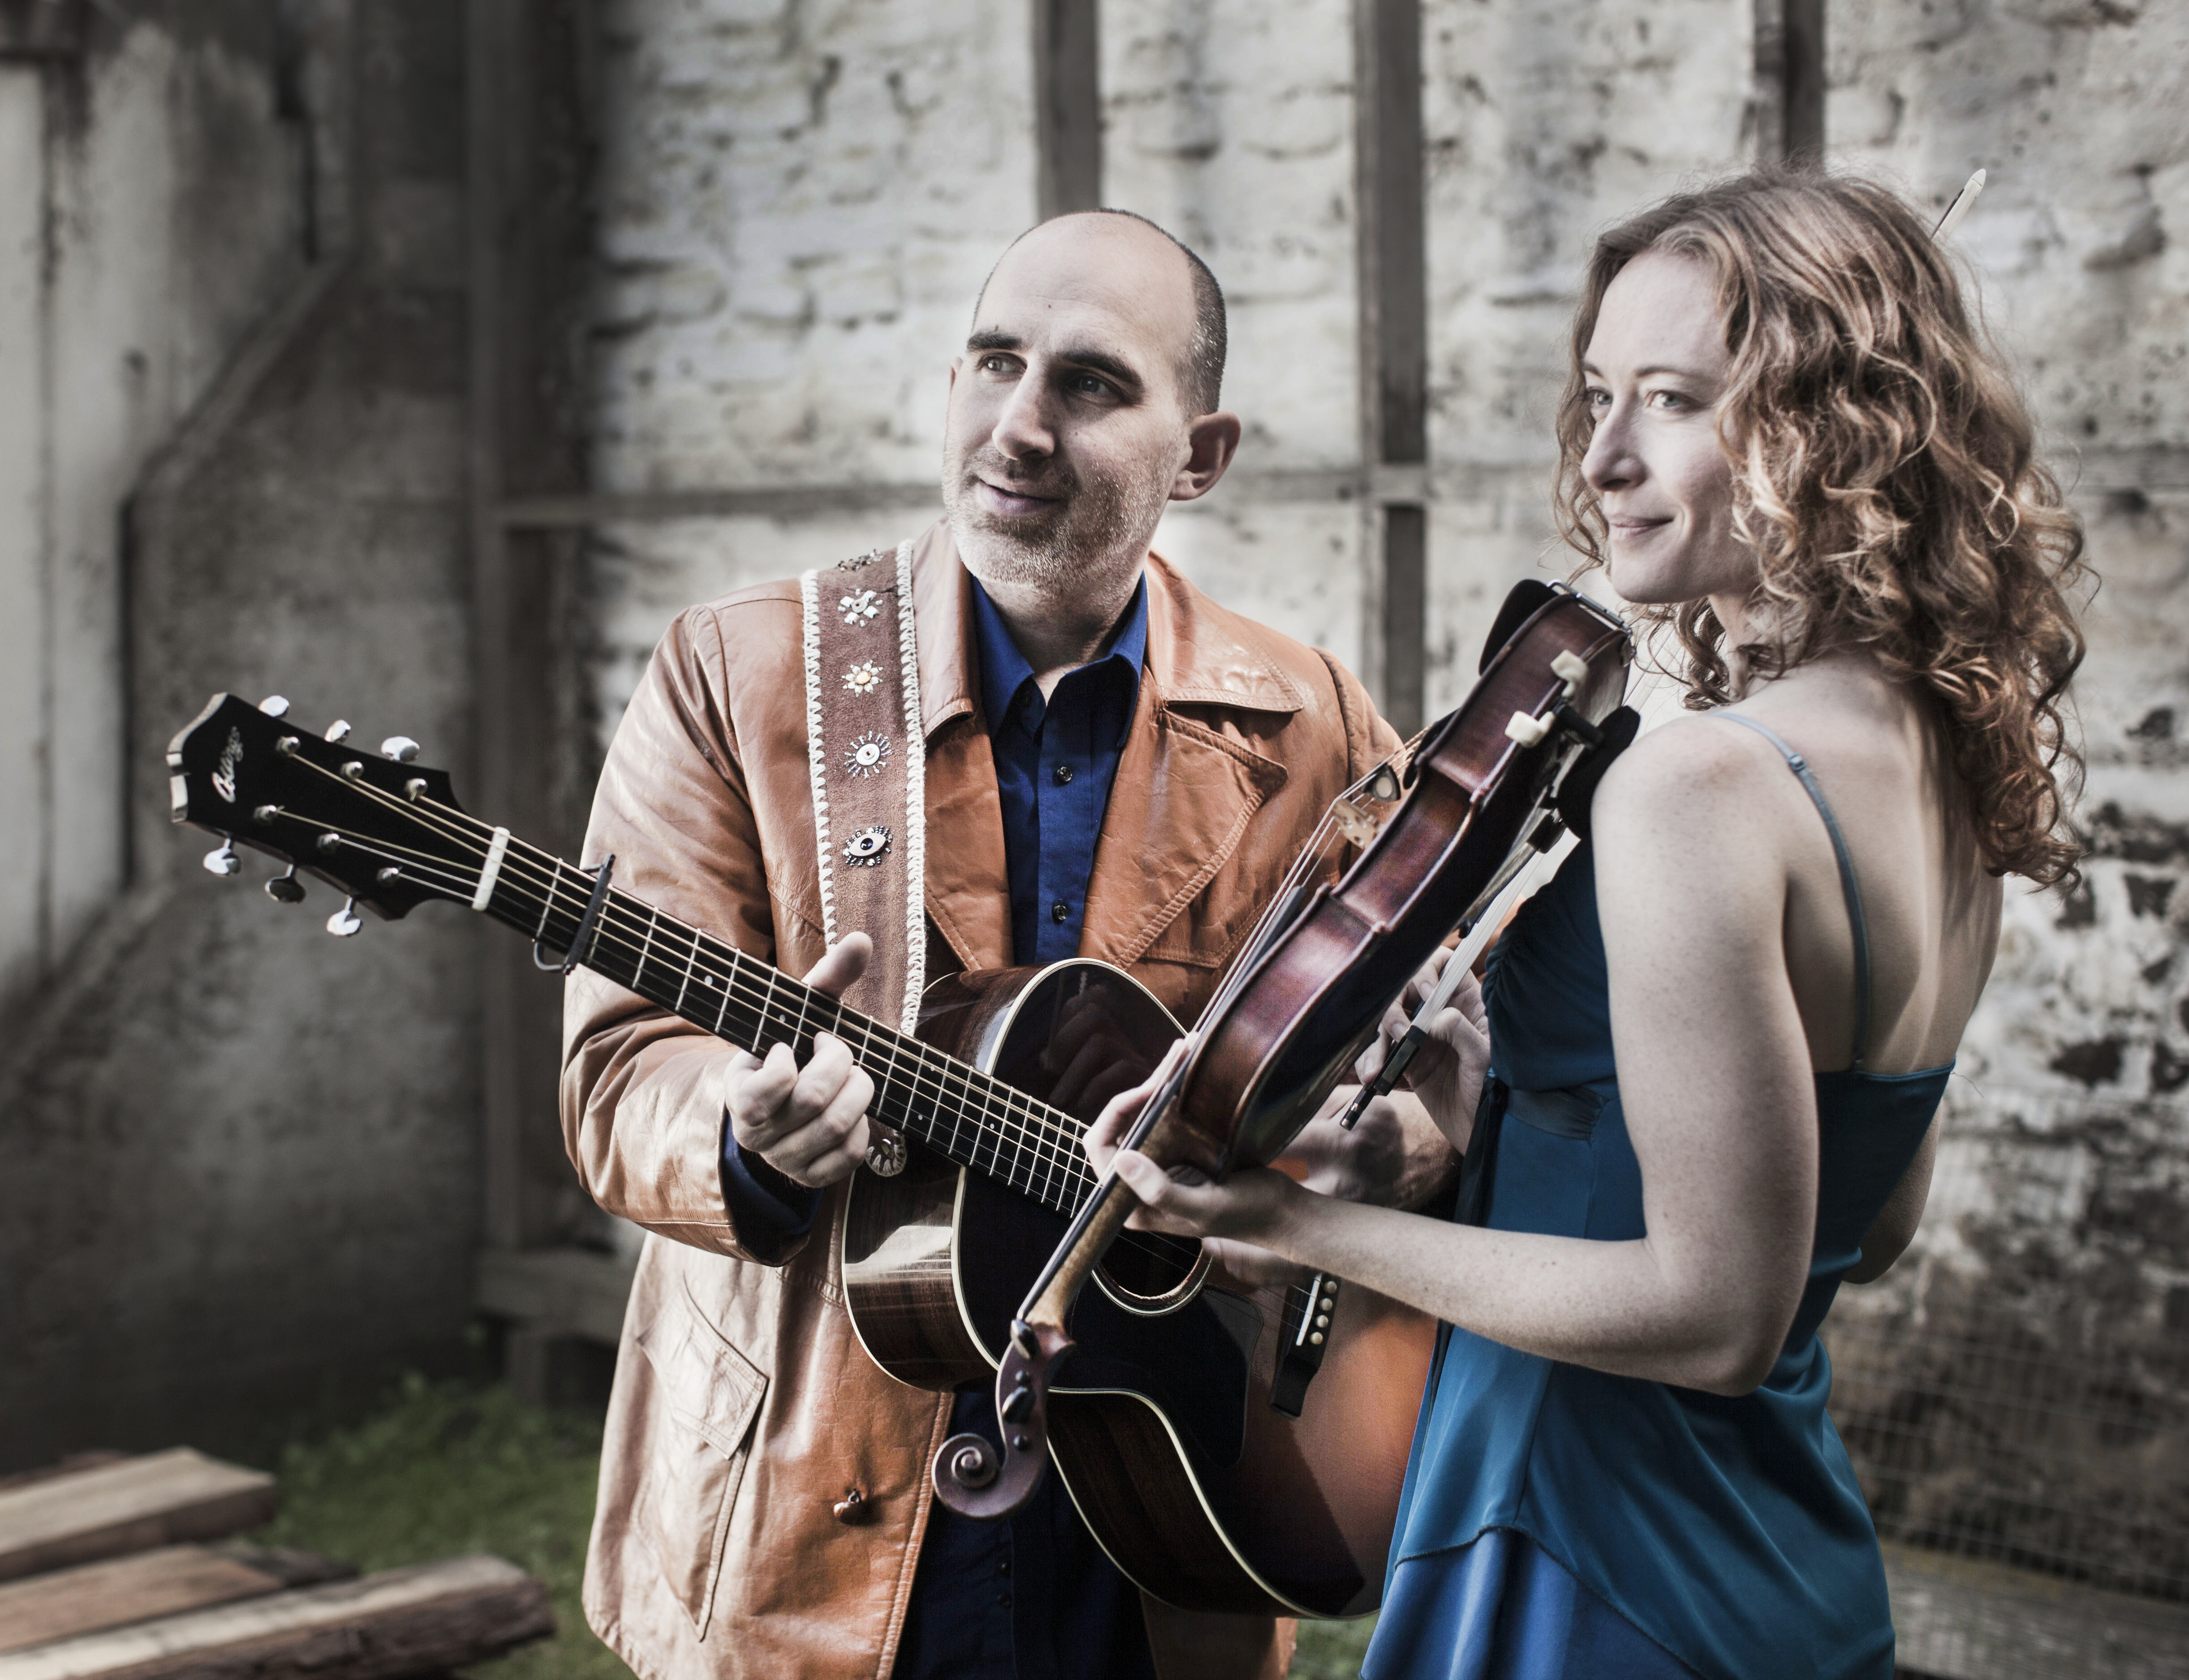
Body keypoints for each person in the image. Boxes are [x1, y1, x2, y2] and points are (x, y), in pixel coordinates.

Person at [1088, 170, 2088, 1679]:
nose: (1606, 458)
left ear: (1834, 429)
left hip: (1584, 1554)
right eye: (1602, 393)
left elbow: (1713, 1314)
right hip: (1776, 1559)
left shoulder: (1702, 784)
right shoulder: (1946, 768)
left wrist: (1299, 1225)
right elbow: (1864, 1229)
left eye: (1675, 400)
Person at [561, 209, 1432, 1680]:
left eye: (1091, 385)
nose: (1017, 427)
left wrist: (1391, 1141)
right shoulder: (742, 673)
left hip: (1172, 1475)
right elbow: (622, 1065)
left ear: (1200, 456)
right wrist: (743, 1134)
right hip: (811, 1479)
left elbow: (1428, 1029)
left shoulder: (1315, 725)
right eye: (993, 363)